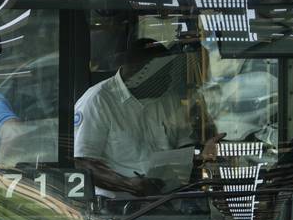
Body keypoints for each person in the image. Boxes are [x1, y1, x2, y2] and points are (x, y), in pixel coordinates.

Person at [73, 38, 220, 198]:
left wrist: (202, 154)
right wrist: (128, 185)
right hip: (117, 207)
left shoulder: (168, 98)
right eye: (162, 74)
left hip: (167, 201)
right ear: (137, 70)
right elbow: (82, 163)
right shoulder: (97, 101)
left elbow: (184, 146)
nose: (169, 80)